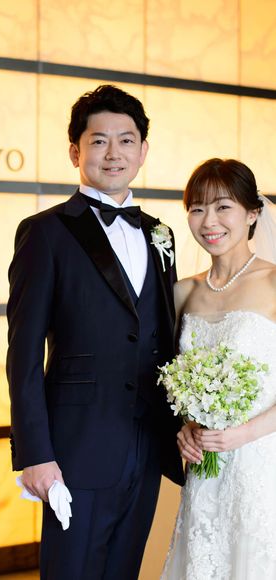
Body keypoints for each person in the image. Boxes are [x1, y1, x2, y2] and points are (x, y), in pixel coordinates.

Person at [6, 84, 184, 580]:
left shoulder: (161, 233)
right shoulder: (45, 232)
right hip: (75, 450)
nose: (114, 153)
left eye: (126, 141)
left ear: (143, 151)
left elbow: (165, 335)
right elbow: (23, 353)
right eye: (99, 141)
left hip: (146, 445)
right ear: (75, 151)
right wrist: (36, 455)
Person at [162, 158, 276, 579]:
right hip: (206, 472)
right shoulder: (182, 292)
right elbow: (170, 380)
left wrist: (243, 434)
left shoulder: (274, 283)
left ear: (253, 214)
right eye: (197, 209)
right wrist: (187, 425)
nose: (208, 221)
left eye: (223, 207)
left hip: (263, 464)